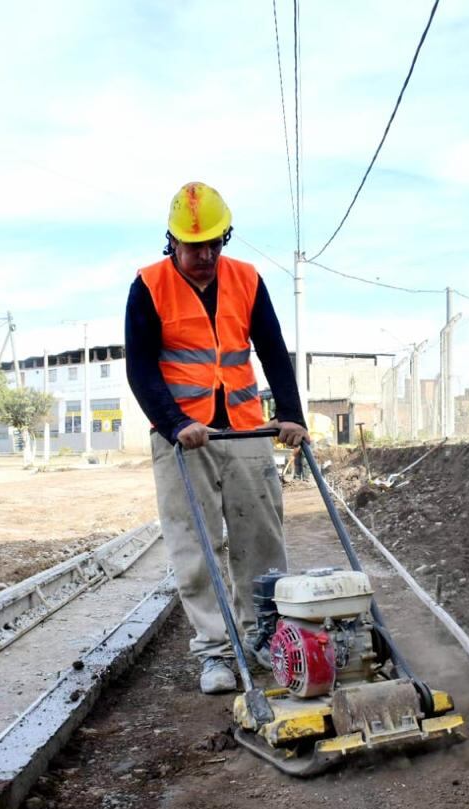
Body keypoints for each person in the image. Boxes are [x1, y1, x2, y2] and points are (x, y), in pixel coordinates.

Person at [125, 181, 309, 695]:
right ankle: (215, 651)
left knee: (261, 542)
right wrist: (173, 422)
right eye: (193, 245)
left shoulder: (247, 280)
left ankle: (265, 638)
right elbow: (141, 369)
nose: (205, 255)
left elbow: (273, 351)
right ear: (173, 241)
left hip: (246, 427)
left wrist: (290, 414)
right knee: (196, 546)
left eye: (213, 244)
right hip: (183, 437)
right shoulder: (148, 286)